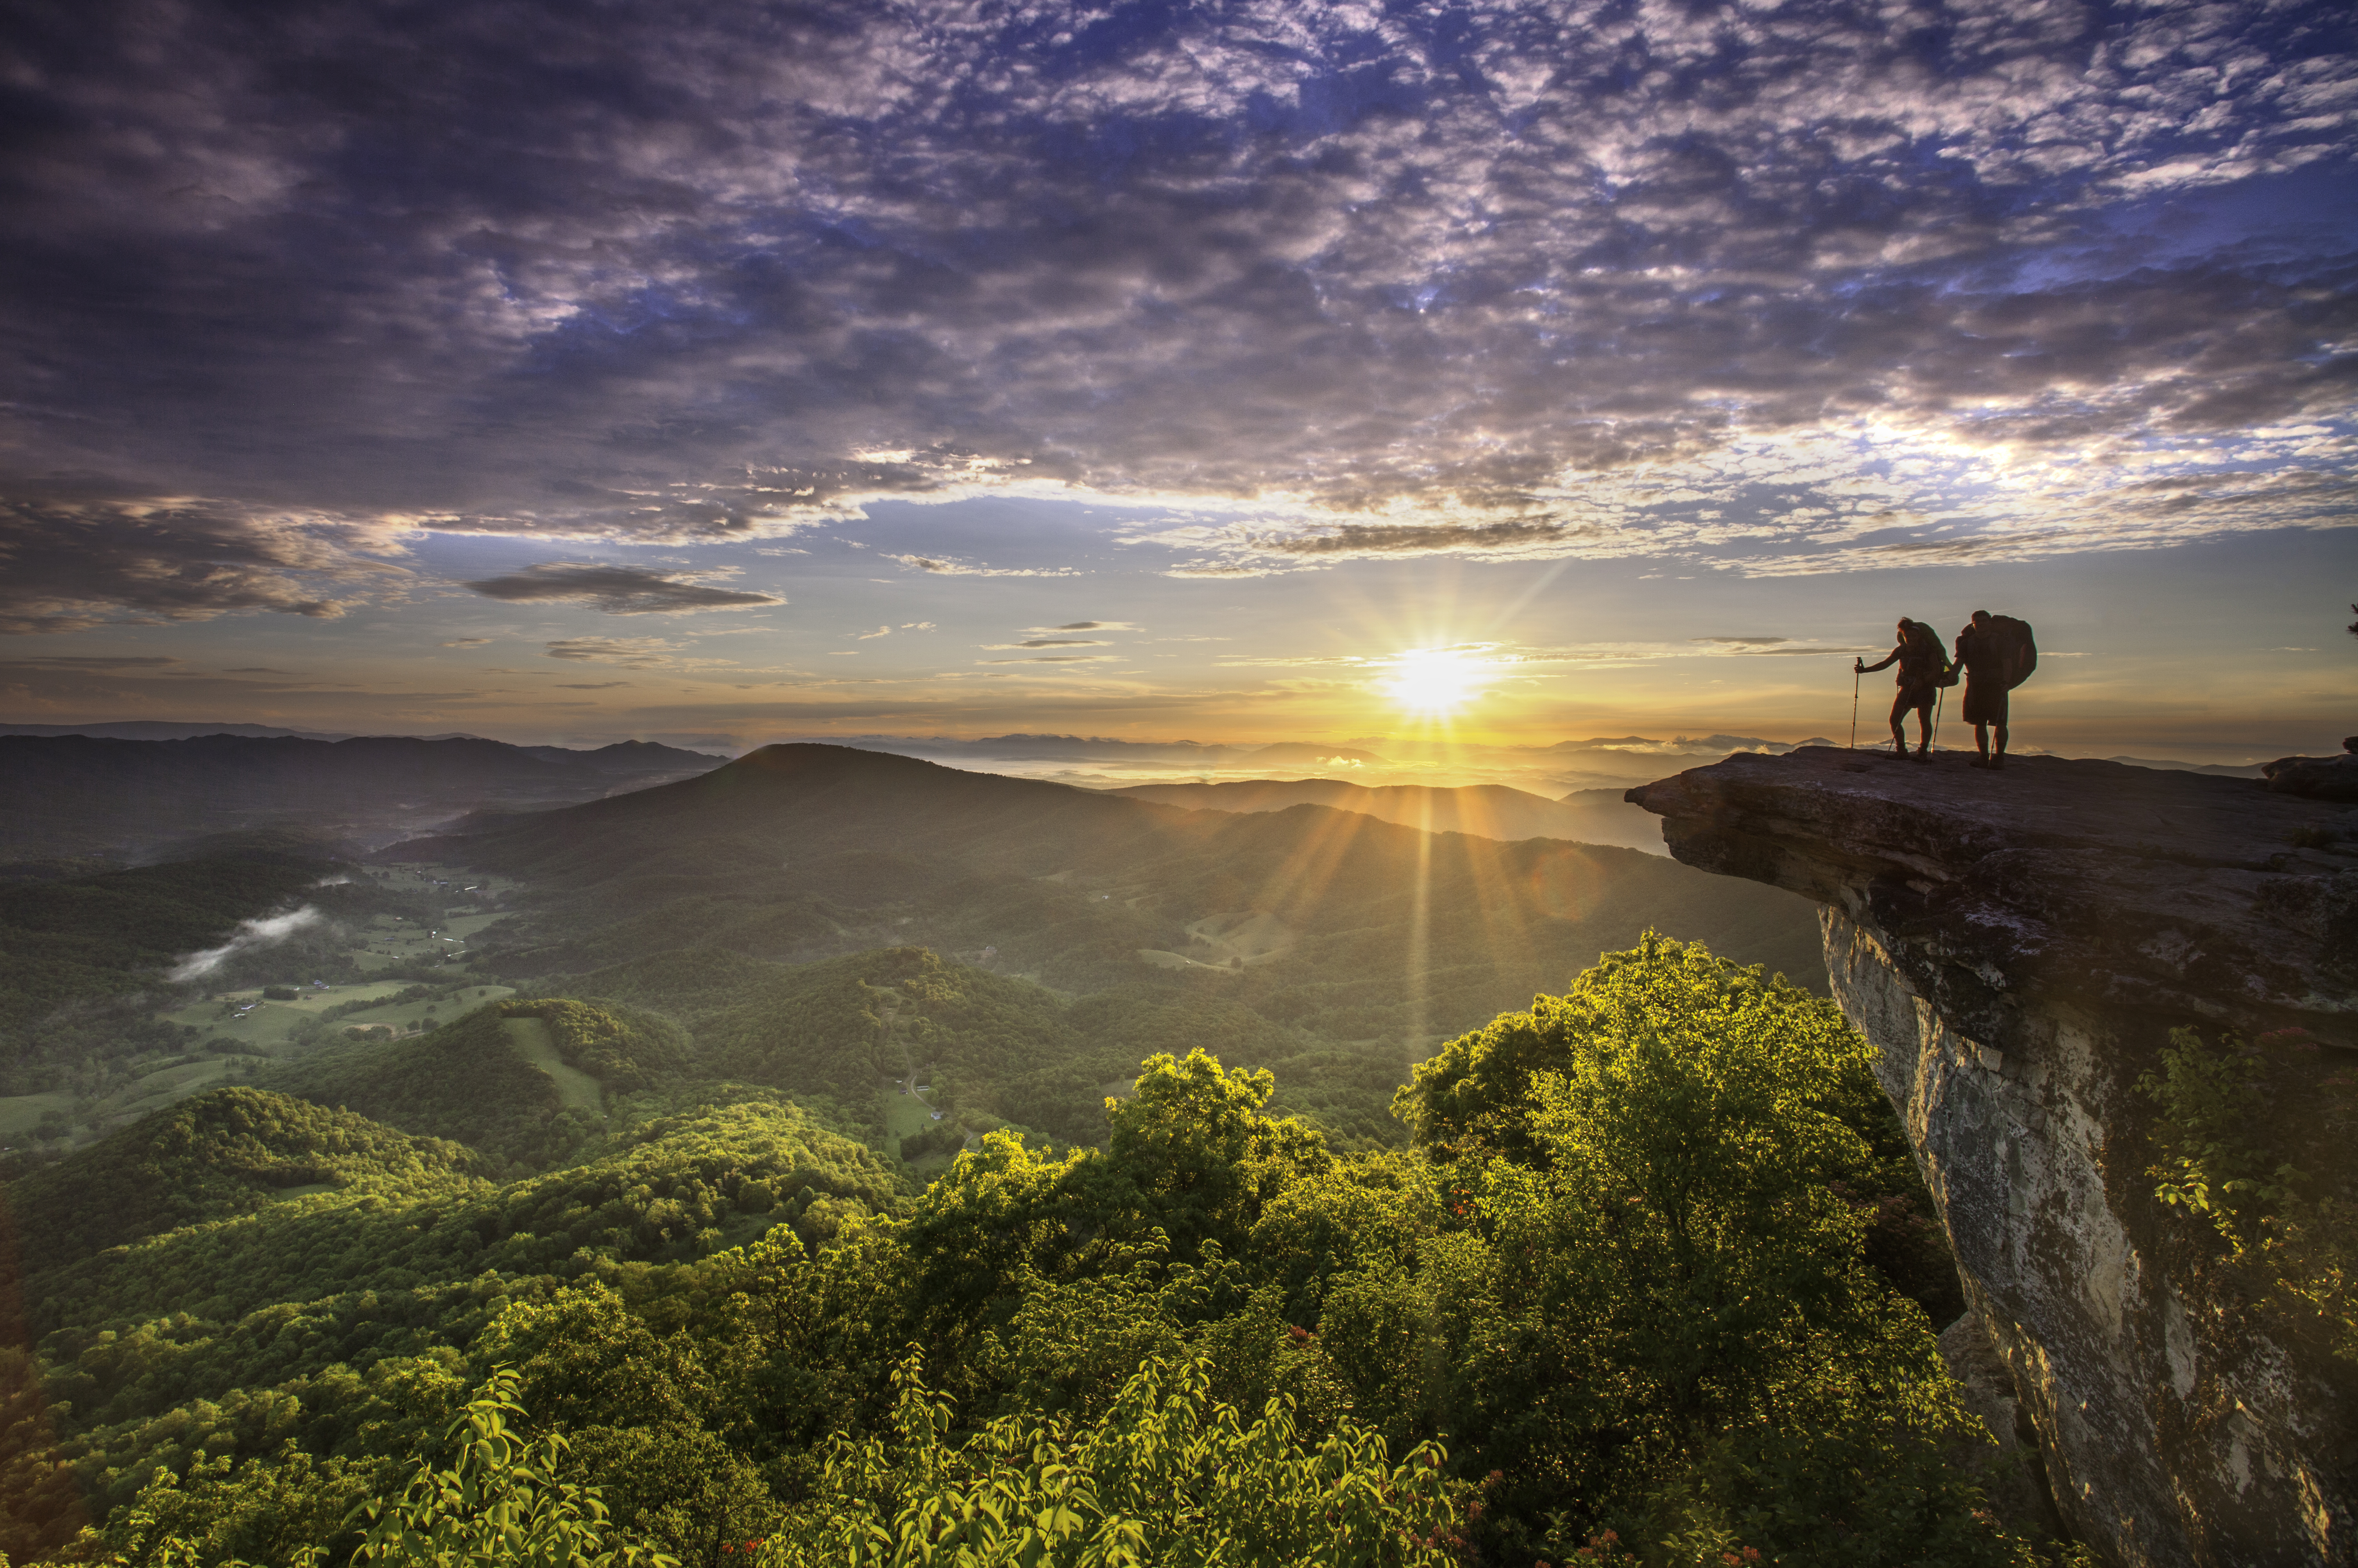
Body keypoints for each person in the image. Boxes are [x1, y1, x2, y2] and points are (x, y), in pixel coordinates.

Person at [1855, 619, 1948, 761]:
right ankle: (1902, 750)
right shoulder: (1901, 650)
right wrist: (1865, 671)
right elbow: (1886, 664)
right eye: (1908, 637)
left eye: (1913, 636)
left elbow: (1936, 671)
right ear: (1904, 637)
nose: (1911, 639)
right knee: (1895, 720)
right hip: (1908, 687)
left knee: (1923, 720)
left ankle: (1922, 751)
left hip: (1925, 688)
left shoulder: (1928, 650)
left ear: (1919, 636)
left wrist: (1922, 682)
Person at [1952, 609, 2011, 769]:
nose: (1980, 624)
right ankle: (1984, 757)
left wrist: (2007, 682)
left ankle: (1998, 757)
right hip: (1976, 685)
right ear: (1973, 624)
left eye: (1984, 621)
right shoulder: (1967, 643)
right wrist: (1949, 676)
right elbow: (1959, 663)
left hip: (1996, 685)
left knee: (2000, 722)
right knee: (1979, 722)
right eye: (1977, 622)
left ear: (1990, 622)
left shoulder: (1999, 641)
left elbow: (2007, 663)